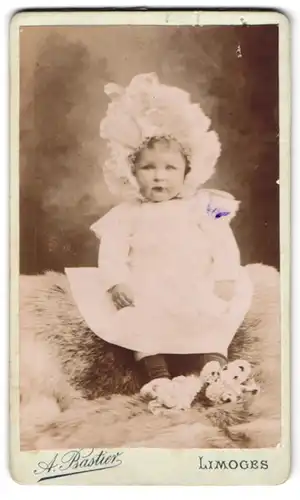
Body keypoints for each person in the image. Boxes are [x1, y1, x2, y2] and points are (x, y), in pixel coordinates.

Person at [66, 73, 254, 412]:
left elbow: (225, 243)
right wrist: (116, 282)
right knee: (139, 321)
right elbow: (111, 251)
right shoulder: (126, 212)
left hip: (196, 283)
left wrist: (225, 277)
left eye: (170, 167)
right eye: (148, 168)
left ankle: (211, 369)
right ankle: (158, 376)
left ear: (187, 171)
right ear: (131, 173)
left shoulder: (205, 204)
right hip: (148, 286)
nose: (159, 175)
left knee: (214, 317)